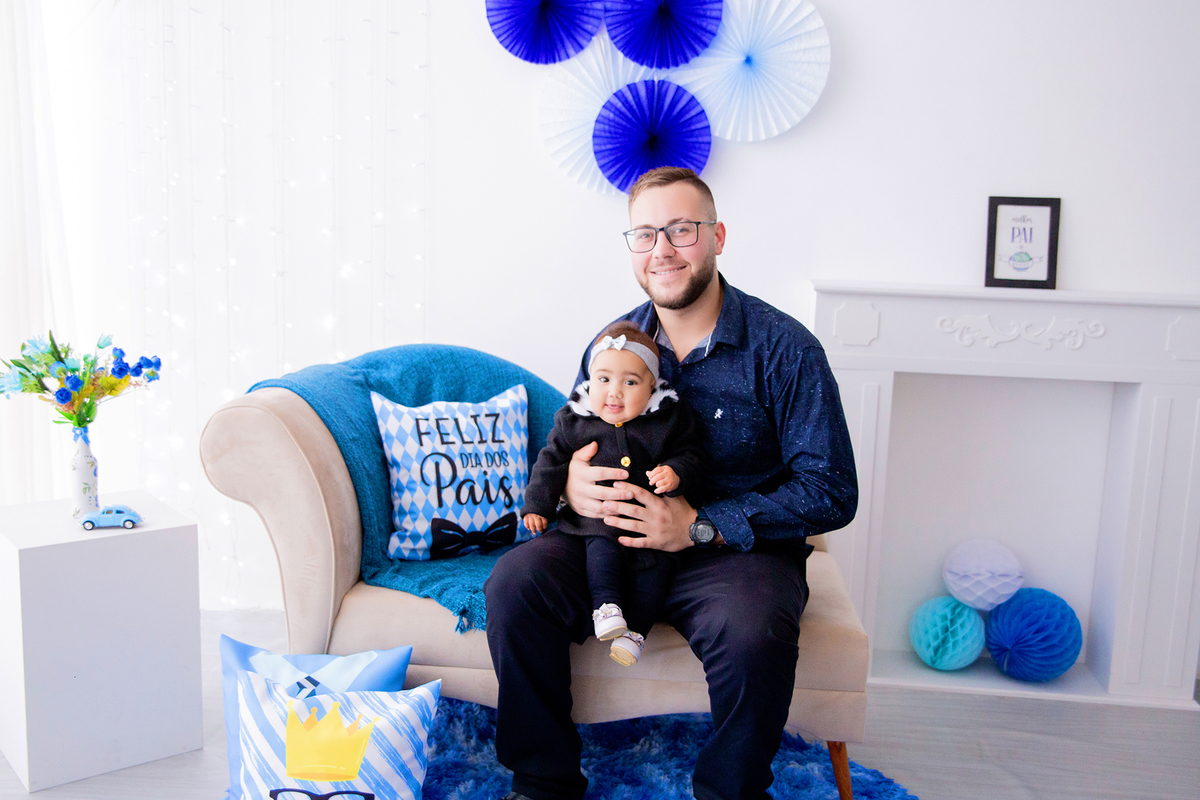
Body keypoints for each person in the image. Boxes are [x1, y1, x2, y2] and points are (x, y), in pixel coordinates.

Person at [484, 166, 858, 800]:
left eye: (681, 231)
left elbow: (831, 489)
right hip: (608, 542)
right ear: (631, 247)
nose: (663, 250)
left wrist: (698, 526)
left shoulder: (786, 350)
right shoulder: (610, 343)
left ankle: (729, 791)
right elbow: (570, 438)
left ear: (716, 236)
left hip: (734, 555)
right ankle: (541, 782)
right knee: (514, 584)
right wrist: (572, 490)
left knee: (753, 629)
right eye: (646, 234)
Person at [521, 321, 706, 667]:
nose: (614, 392)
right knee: (599, 552)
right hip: (599, 522)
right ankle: (606, 608)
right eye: (603, 380)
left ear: (652, 387)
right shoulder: (574, 421)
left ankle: (634, 633)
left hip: (654, 529)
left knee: (659, 573)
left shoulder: (668, 419)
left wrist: (676, 473)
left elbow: (692, 454)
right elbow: (551, 462)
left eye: (630, 382)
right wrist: (538, 505)